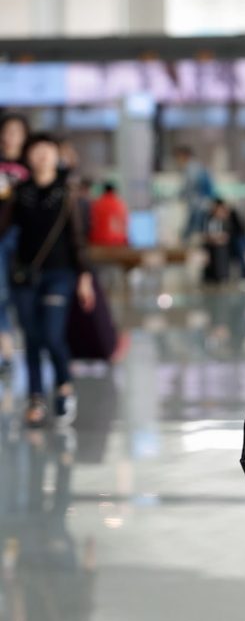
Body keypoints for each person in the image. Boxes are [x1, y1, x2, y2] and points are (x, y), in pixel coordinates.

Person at [0, 132, 95, 428]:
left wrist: (84, 276)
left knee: (52, 335)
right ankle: (36, 398)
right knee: (32, 337)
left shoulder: (68, 193)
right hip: (24, 275)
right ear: (28, 157)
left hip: (60, 274)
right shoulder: (19, 192)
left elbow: (78, 239)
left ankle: (64, 386)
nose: (42, 155)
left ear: (57, 156)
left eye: (48, 150)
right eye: (36, 150)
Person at [0, 113, 30, 375]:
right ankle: (7, 352)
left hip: (27, 239)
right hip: (1, 238)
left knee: (24, 295)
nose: (10, 137)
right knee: (1, 294)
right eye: (7, 131)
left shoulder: (32, 164)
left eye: (16, 132)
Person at [173, 145, 216, 239]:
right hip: (201, 204)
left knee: (193, 232)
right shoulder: (198, 166)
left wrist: (181, 195)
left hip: (198, 205)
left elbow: (191, 187)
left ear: (183, 155)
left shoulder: (192, 168)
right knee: (197, 230)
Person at [89, 182, 128, 246]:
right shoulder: (121, 205)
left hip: (99, 240)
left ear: (104, 191)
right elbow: (125, 224)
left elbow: (92, 223)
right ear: (114, 191)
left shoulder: (97, 204)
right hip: (118, 240)